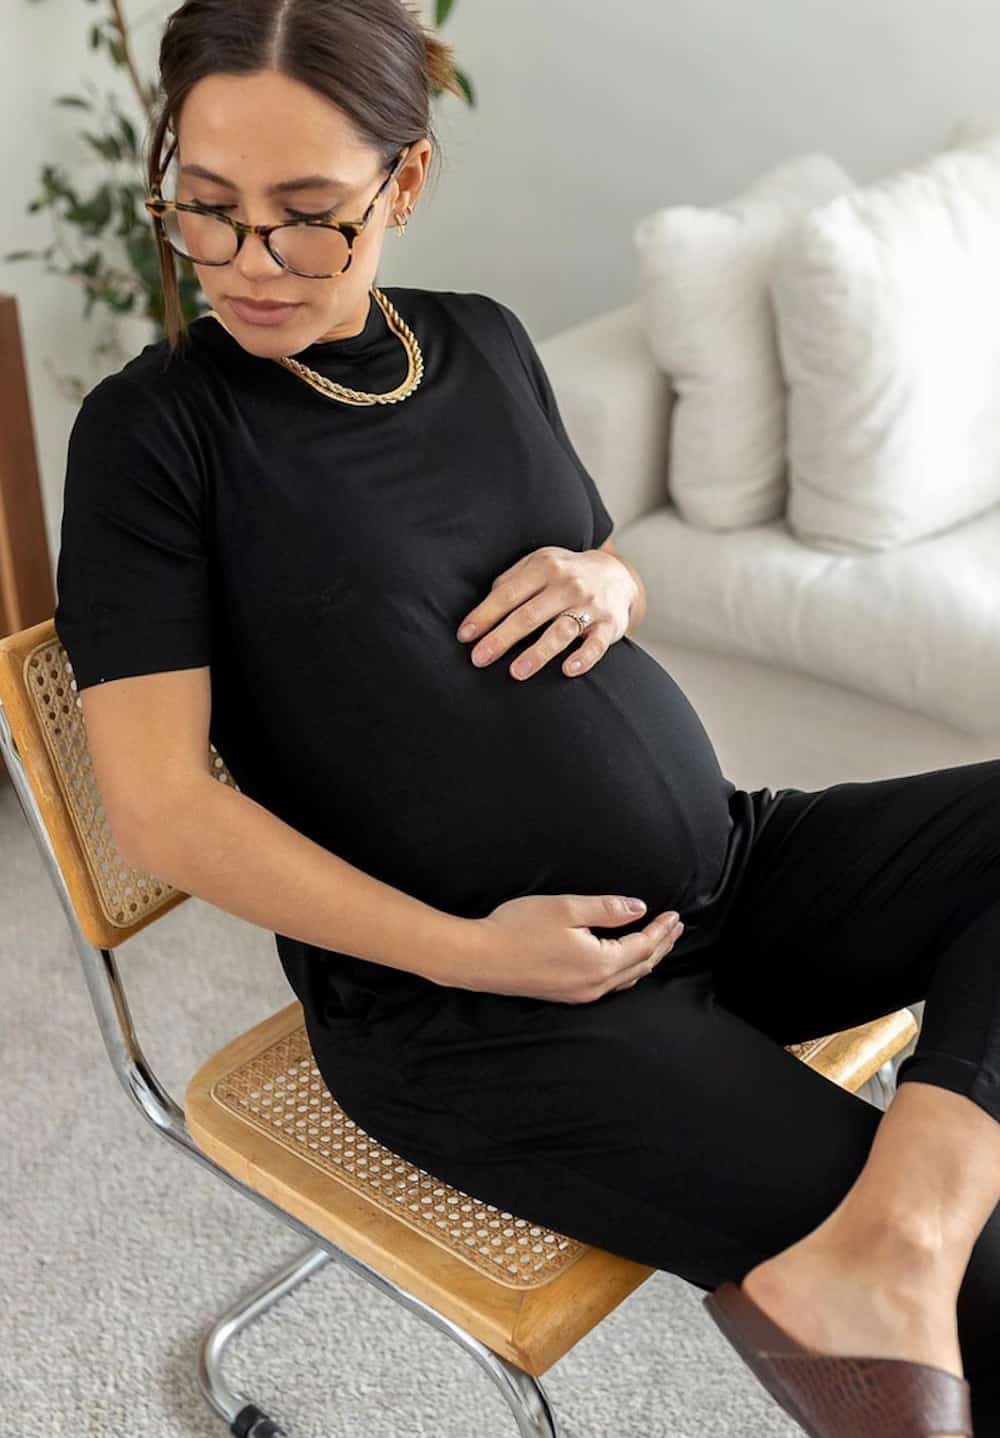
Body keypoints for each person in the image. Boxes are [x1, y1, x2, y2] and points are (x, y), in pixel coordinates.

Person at [53, 3, 999, 1434]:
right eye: (205, 206)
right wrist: (471, 952)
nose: (247, 263)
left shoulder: (482, 344)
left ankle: (900, 1233)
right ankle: (926, 1250)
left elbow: (579, 569)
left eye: (309, 217)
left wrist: (611, 574)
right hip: (478, 1015)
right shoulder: (157, 437)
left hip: (730, 873)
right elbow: (162, 808)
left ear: (406, 183)